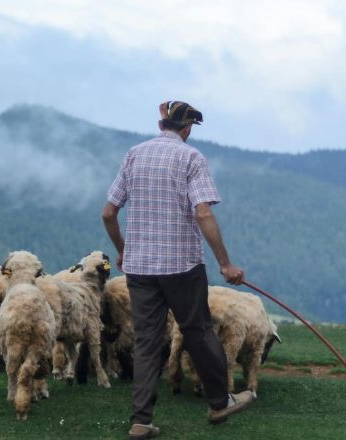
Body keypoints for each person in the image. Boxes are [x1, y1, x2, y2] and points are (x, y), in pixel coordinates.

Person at [102, 101, 254, 439]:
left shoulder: (134, 155)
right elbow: (203, 213)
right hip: (182, 267)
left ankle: (141, 421)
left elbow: (108, 213)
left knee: (146, 340)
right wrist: (225, 264)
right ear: (187, 128)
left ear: (161, 125)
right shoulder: (192, 158)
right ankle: (219, 403)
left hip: (140, 270)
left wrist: (124, 250)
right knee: (198, 331)